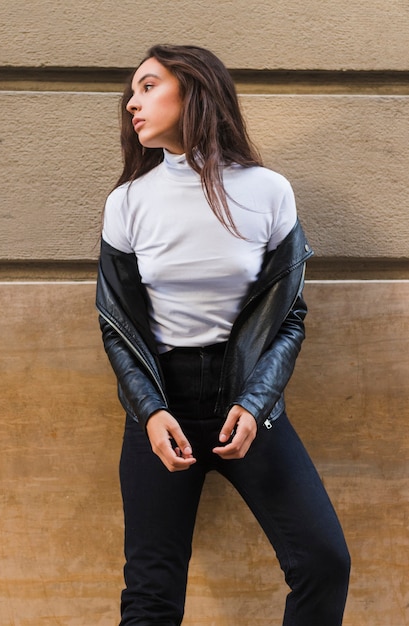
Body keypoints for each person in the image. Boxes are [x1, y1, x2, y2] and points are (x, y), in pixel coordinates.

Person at [96, 44, 350, 626]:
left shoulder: (268, 192)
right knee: (151, 599)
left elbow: (289, 317)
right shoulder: (127, 203)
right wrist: (151, 412)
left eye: (148, 86)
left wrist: (255, 403)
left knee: (323, 563)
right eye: (131, 92)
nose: (132, 103)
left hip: (249, 404)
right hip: (162, 408)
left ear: (194, 90)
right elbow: (116, 324)